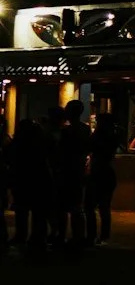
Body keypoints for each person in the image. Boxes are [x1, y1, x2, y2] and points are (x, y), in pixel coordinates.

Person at [4, 111, 50, 255]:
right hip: (39, 181)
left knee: (22, 211)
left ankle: (21, 236)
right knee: (38, 212)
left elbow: (8, 158)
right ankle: (38, 238)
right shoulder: (42, 144)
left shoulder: (17, 144)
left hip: (22, 180)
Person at [51, 104, 90, 249]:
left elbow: (61, 153)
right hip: (78, 171)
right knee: (76, 207)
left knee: (62, 207)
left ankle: (61, 236)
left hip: (66, 172)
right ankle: (78, 237)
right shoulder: (85, 129)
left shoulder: (67, 131)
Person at [84, 108, 123, 245]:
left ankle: (91, 235)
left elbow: (88, 147)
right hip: (107, 173)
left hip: (97, 173)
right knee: (104, 207)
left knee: (89, 207)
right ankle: (104, 236)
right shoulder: (113, 136)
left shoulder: (98, 137)